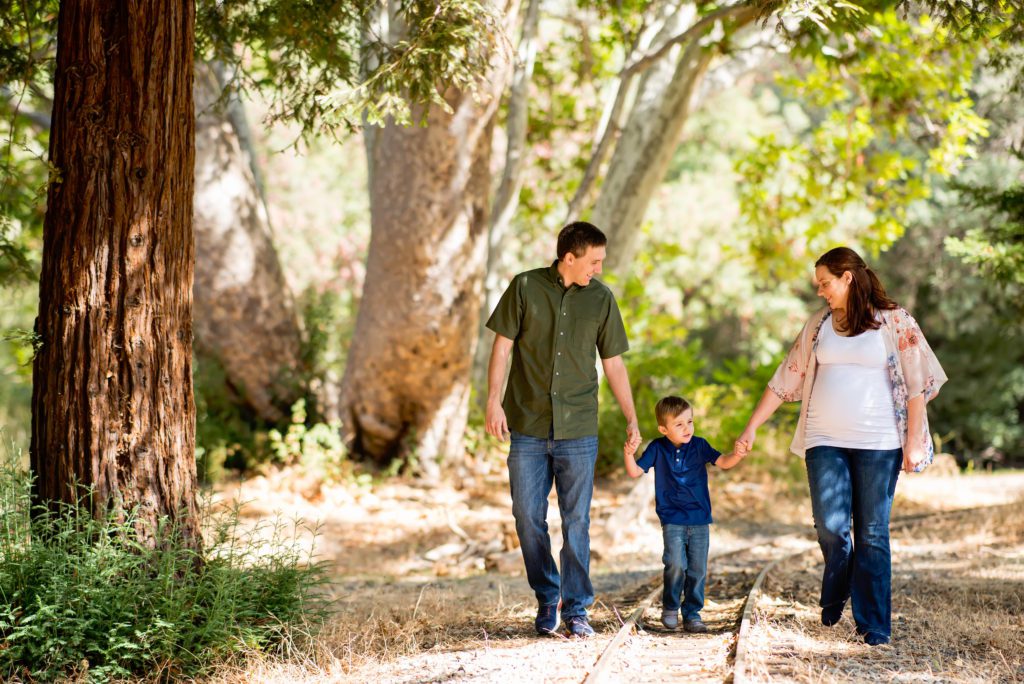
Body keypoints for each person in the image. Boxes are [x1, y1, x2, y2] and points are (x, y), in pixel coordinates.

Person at [736, 246, 947, 646]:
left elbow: (917, 384)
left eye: (825, 283)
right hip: (823, 438)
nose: (820, 291)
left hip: (879, 441)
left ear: (847, 277)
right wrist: (751, 427)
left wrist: (913, 441)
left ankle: (874, 626)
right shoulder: (819, 326)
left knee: (872, 533)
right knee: (832, 528)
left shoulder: (893, 320)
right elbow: (787, 376)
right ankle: (839, 586)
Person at [485, 221, 642, 639]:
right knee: (526, 516)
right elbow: (502, 346)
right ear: (568, 258)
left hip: (578, 427)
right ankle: (547, 595)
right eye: (593, 261)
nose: (598, 269)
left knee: (577, 522)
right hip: (529, 423)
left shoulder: (601, 299)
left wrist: (631, 417)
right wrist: (491, 400)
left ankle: (576, 609)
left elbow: (614, 363)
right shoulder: (524, 287)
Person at [623, 396, 748, 633]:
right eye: (679, 424)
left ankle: (692, 613)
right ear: (663, 429)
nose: (687, 428)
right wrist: (628, 453)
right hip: (672, 518)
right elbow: (634, 471)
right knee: (675, 563)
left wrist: (738, 454)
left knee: (697, 569)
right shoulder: (657, 448)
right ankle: (670, 607)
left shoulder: (700, 445)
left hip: (699, 518)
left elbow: (723, 462)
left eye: (689, 421)